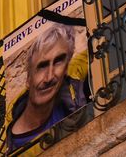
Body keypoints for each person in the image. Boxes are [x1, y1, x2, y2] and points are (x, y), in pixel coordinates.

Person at [6, 24, 87, 155]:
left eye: (58, 62)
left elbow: (98, 43)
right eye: (42, 66)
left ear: (66, 67)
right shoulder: (5, 138)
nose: (49, 77)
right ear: (28, 78)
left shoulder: (73, 83)